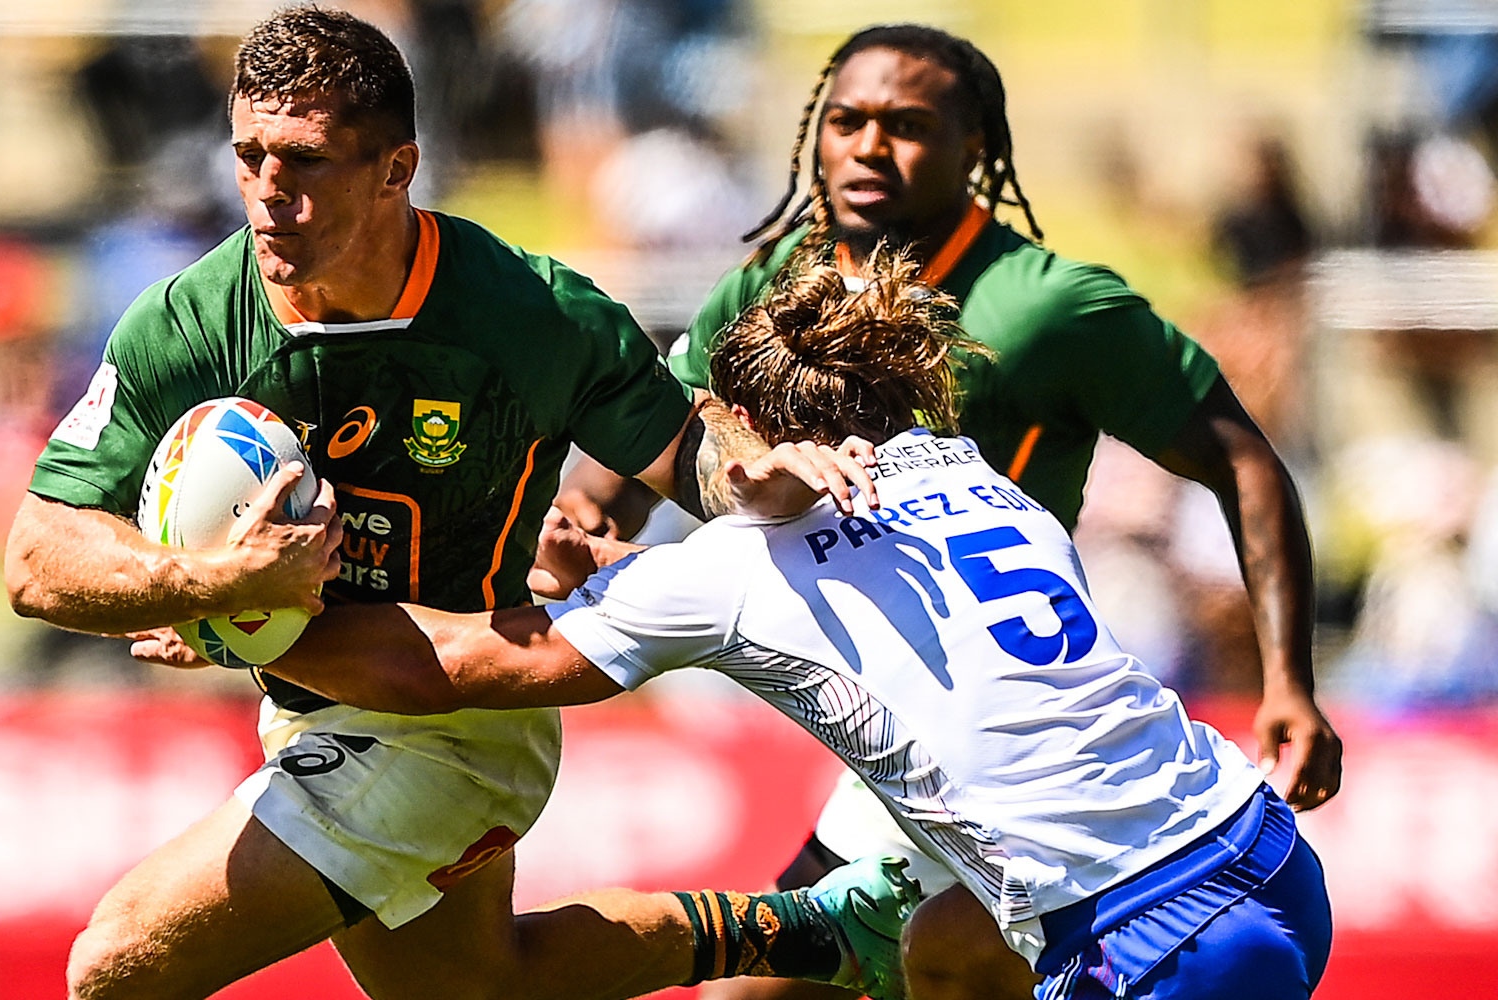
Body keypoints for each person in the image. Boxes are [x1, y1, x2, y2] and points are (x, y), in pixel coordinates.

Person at [155, 250, 1335, 1000]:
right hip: (1261, 852)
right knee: (943, 951)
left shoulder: (730, 563)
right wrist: (588, 572)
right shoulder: (987, 483)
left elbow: (467, 663)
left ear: (732, 419)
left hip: (1153, 937)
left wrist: (228, 621)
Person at [3, 9, 886, 1000]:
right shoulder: (191, 319)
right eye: (247, 155)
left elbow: (683, 446)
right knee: (480, 986)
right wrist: (211, 582)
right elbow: (37, 557)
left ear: (395, 168)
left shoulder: (525, 313)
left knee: (117, 962)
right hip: (313, 708)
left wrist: (755, 470)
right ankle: (814, 927)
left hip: (458, 718)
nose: (266, 192)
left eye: (305, 160)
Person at [546, 23, 1341, 999]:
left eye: (905, 124)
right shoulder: (763, 296)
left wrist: (1286, 681)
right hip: (892, 738)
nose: (866, 145)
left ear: (978, 150)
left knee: (770, 989)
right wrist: (581, 530)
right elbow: (646, 461)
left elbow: (1242, 464)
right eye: (843, 121)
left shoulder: (1049, 309)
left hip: (1018, 746)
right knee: (932, 960)